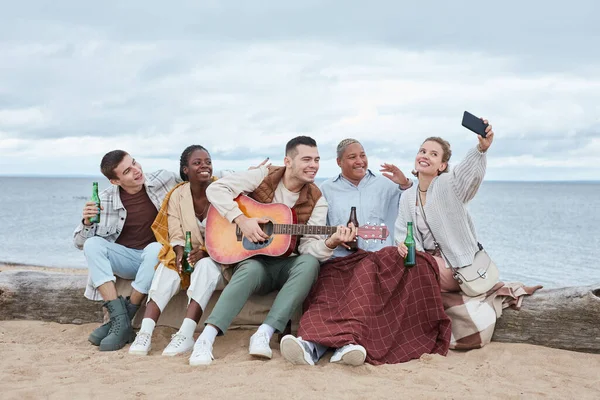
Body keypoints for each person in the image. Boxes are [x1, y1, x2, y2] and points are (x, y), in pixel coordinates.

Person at [187, 136, 355, 366]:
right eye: (306, 159)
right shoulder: (262, 176)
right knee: (250, 270)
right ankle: (206, 338)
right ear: (288, 160)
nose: (313, 165)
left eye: (316, 160)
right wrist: (242, 220)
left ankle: (264, 333)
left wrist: (331, 242)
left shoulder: (317, 200)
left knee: (309, 263)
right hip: (252, 260)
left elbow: (308, 247)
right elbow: (216, 189)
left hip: (287, 265)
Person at [280, 138, 413, 366]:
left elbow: (416, 203)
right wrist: (333, 240)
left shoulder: (386, 185)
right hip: (339, 261)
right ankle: (309, 344)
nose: (360, 161)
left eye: (362, 155)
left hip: (378, 260)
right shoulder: (325, 190)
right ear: (339, 162)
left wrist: (405, 184)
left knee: (360, 286)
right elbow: (318, 231)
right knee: (324, 297)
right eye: (352, 157)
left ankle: (345, 344)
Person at [127, 145, 229, 359]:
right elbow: (175, 232)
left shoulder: (223, 191)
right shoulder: (177, 195)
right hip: (191, 256)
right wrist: (181, 252)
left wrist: (205, 252)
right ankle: (145, 333)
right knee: (169, 264)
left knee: (204, 265)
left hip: (219, 262)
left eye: (208, 162)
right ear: (185, 170)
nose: (204, 166)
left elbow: (230, 236)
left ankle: (186, 334)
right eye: (197, 163)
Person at [73, 150, 180, 351]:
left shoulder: (162, 179)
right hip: (128, 260)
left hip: (156, 256)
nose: (137, 171)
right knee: (91, 244)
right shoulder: (104, 200)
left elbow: (196, 173)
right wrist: (87, 222)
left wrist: (250, 172)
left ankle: (123, 319)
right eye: (128, 171)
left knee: (156, 248)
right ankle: (121, 321)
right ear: (115, 181)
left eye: (135, 163)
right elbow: (79, 243)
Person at [395, 120, 494, 292]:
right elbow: (402, 230)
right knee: (390, 258)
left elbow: (467, 175)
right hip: (425, 261)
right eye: (422, 151)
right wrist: (404, 245)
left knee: (416, 272)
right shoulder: (408, 196)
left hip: (457, 266)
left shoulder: (449, 184)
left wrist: (480, 150)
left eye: (433, 154)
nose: (425, 156)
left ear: (442, 165)